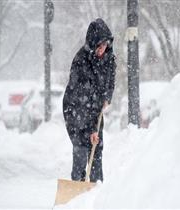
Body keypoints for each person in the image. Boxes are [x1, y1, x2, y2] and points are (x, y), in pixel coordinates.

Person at [63, 18, 116, 183]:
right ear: (92, 45)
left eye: (105, 46)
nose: (102, 50)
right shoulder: (81, 62)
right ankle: (76, 192)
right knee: (81, 148)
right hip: (75, 110)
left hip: (94, 110)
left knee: (97, 149)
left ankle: (95, 190)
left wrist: (108, 96)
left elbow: (110, 81)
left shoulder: (109, 58)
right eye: (99, 47)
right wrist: (91, 129)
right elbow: (83, 99)